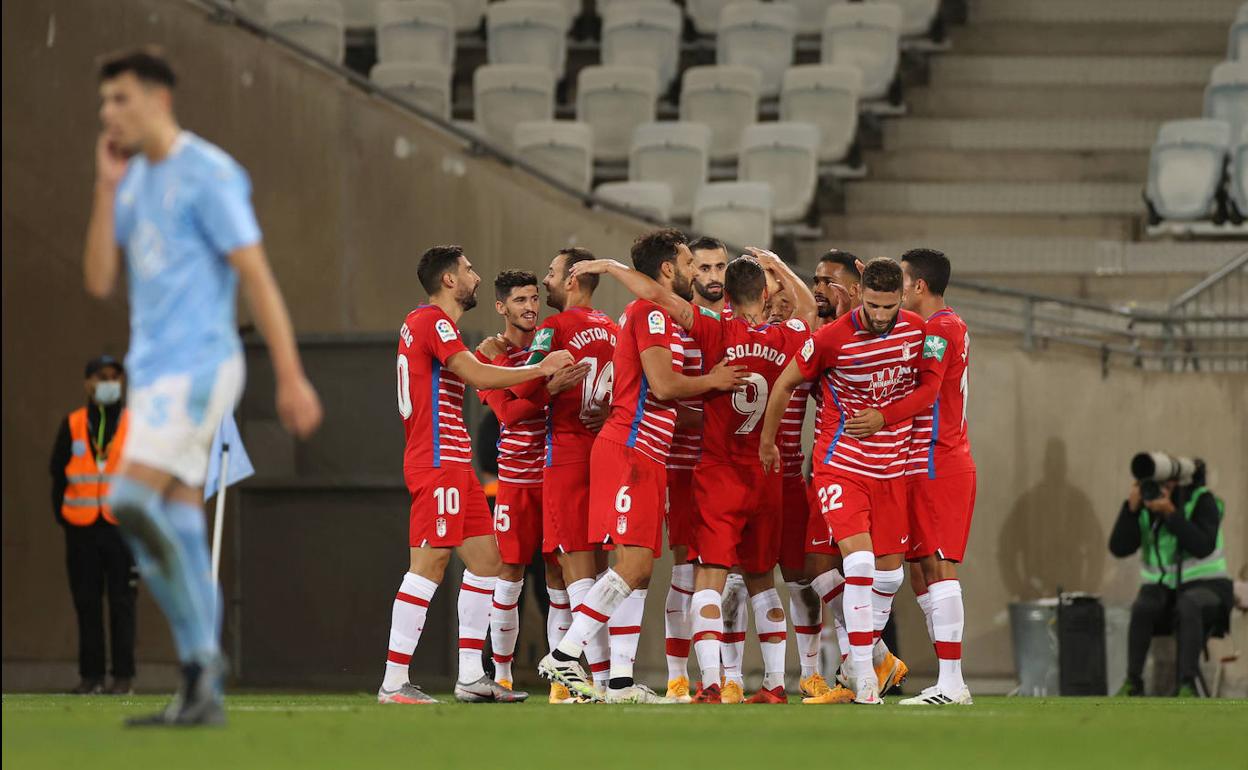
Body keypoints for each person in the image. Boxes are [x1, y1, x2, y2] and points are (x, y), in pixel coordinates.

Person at [83, 48, 323, 726]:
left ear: (159, 100)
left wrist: (291, 374)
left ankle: (201, 667)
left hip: (200, 368)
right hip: (152, 374)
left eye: (119, 99)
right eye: (103, 102)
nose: (108, 114)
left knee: (127, 499)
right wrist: (103, 189)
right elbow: (100, 279)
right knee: (182, 533)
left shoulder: (210, 173)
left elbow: (258, 276)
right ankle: (200, 687)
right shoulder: (129, 182)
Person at [576, 249, 816, 704]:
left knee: (706, 579)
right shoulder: (787, 336)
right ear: (765, 294)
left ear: (726, 293)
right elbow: (807, 311)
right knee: (764, 580)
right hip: (766, 472)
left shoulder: (715, 328)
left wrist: (610, 268)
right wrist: (782, 267)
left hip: (718, 472)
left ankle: (707, 683)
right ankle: (772, 685)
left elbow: (659, 298)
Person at [536, 229, 747, 703]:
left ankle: (619, 682)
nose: (697, 271)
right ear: (670, 268)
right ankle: (566, 655)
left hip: (645, 452)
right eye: (691, 262)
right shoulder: (649, 313)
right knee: (630, 564)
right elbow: (664, 384)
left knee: (640, 570)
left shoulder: (661, 311)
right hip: (629, 451)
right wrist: (712, 380)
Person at [379, 245, 574, 705]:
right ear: (449, 280)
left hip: (455, 464)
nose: (475, 276)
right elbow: (477, 376)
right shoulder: (431, 321)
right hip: (437, 460)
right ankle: (393, 680)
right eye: (468, 270)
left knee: (488, 563)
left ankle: (471, 675)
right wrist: (540, 367)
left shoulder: (429, 326)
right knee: (429, 565)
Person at [760, 258, 922, 705]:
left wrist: (888, 418)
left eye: (890, 307)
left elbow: (930, 388)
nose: (882, 316)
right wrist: (768, 442)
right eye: (874, 306)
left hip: (891, 469)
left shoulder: (915, 332)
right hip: (841, 466)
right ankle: (865, 677)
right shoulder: (830, 339)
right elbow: (784, 384)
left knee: (889, 580)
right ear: (861, 296)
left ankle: (873, 656)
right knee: (855, 566)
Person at [847, 249, 977, 705]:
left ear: (918, 286)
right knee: (923, 571)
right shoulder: (941, 325)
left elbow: (926, 393)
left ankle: (953, 681)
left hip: (939, 460)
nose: (897, 289)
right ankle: (941, 677)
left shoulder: (939, 329)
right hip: (923, 462)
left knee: (938, 566)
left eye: (900, 280)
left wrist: (881, 417)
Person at [473, 269, 591, 698]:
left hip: (557, 475)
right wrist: (547, 389)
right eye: (519, 300)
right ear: (501, 307)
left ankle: (564, 681)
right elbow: (506, 413)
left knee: (560, 576)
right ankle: (501, 676)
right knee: (510, 575)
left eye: (533, 299)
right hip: (517, 481)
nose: (529, 307)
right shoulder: (490, 353)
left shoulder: (554, 344)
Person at [513, 248, 618, 700]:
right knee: (602, 570)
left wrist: (542, 383)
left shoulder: (552, 329)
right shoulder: (616, 329)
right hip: (609, 458)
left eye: (553, 273)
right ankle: (610, 676)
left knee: (573, 570)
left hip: (568, 456)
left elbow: (520, 386)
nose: (547, 280)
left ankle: (579, 677)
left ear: (574, 279)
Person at [663, 235, 731, 702]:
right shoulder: (673, 319)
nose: (711, 276)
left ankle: (729, 677)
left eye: (720, 267)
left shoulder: (736, 320)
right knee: (686, 572)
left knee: (735, 577)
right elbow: (662, 394)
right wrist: (714, 416)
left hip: (728, 468)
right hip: (682, 463)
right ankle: (677, 676)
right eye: (703, 267)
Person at [50, 354, 137, 696]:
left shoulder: (134, 424)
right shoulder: (72, 424)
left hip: (122, 529)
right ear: (88, 383)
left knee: (123, 603)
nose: (109, 384)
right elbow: (58, 474)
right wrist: (64, 517)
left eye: (115, 378)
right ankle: (91, 677)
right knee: (86, 602)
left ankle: (124, 678)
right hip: (81, 528)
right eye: (102, 377)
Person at [1109, 474, 1233, 697]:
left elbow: (1202, 546)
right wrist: (1131, 509)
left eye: (1167, 484)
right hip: (1164, 589)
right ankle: (1133, 682)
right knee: (1143, 607)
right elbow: (1119, 547)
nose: (1161, 490)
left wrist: (1172, 514)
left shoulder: (1202, 501)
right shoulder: (1146, 510)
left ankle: (1187, 684)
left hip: (1210, 587)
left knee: (1189, 604)